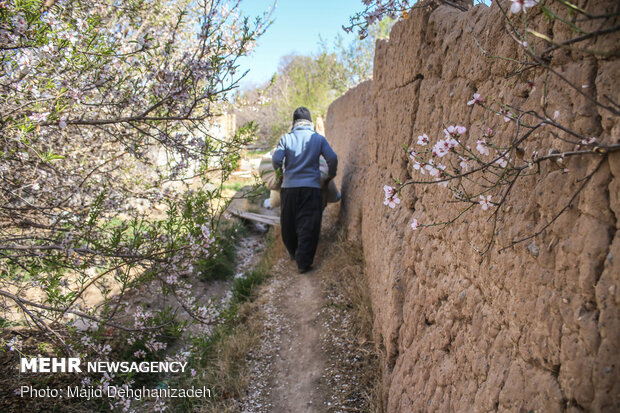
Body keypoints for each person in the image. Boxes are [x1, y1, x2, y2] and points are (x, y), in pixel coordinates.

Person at [272, 107, 338, 273]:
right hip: (312, 188)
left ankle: (294, 253)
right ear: (310, 123)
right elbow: (332, 158)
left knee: (288, 224)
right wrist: (330, 176)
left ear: (294, 123)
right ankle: (303, 263)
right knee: (309, 224)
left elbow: (276, 159)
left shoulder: (286, 138)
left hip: (289, 189)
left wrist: (280, 176)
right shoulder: (318, 139)